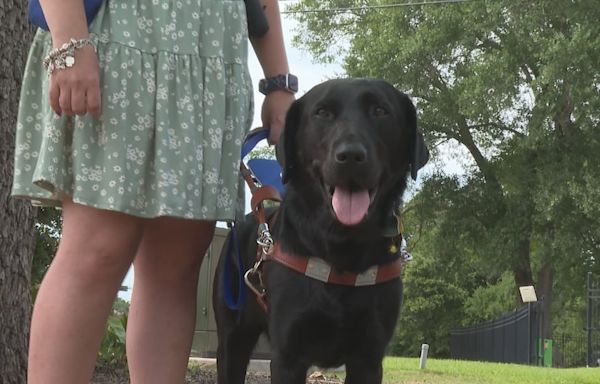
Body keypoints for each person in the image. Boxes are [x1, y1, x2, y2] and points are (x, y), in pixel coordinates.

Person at [12, 0, 295, 383]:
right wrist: (70, 41)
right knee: (98, 247)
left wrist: (279, 82)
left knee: (177, 262)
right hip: (120, 34)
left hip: (210, 50)